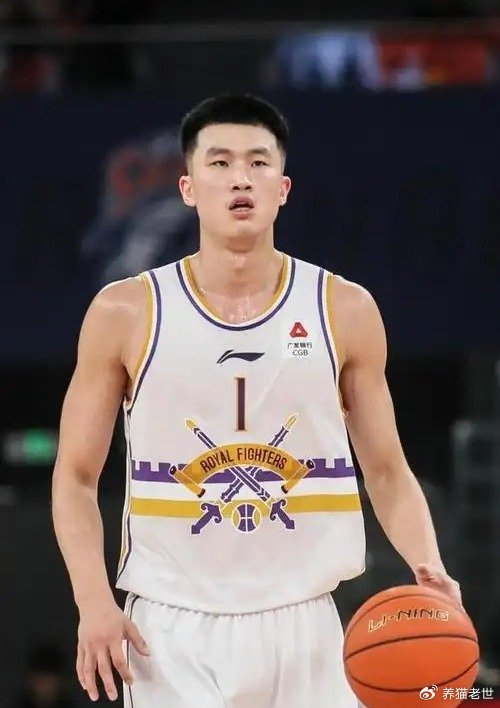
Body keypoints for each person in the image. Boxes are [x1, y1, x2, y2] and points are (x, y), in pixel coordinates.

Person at [52, 93, 462, 707]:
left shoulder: (344, 308)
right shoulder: (125, 311)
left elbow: (386, 469)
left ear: (283, 188)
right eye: (219, 163)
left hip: (307, 623)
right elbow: (75, 476)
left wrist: (429, 566)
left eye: (258, 162)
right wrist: (92, 601)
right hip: (169, 629)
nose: (240, 178)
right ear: (188, 188)